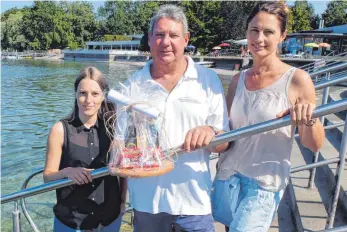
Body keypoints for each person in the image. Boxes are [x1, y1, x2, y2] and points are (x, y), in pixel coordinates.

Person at [212, 1, 325, 232]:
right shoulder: (237, 80)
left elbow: (314, 145)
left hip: (263, 185)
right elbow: (227, 132)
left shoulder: (297, 80)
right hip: (228, 177)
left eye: (268, 32)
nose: (259, 38)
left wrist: (308, 119)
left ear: (283, 36)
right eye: (254, 30)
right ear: (246, 31)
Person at [123, 5, 229, 232]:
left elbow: (224, 142)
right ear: (150, 39)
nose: (165, 42)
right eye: (159, 35)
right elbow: (124, 145)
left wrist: (210, 132)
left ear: (186, 39)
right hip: (146, 204)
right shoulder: (133, 85)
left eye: (173, 35)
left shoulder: (207, 80)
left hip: (194, 203)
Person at [43, 67, 127, 232]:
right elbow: (47, 177)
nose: (88, 100)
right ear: (75, 94)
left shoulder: (114, 128)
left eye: (95, 94)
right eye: (83, 93)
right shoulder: (60, 130)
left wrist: (123, 202)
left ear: (103, 96)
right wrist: (67, 172)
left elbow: (123, 171)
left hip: (109, 219)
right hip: (72, 222)